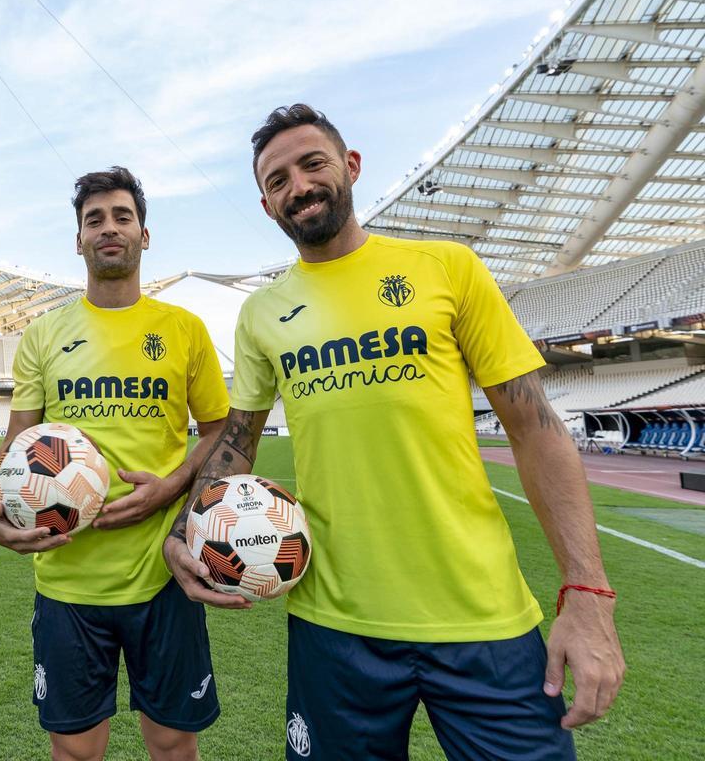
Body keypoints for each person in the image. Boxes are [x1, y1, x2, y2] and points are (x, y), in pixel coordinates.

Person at [163, 105, 625, 760]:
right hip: (333, 625)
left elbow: (536, 428)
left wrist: (587, 592)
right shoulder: (264, 314)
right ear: (266, 205)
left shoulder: (447, 268)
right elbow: (238, 437)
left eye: (312, 163)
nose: (298, 185)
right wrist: (185, 529)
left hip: (483, 618)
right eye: (277, 179)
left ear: (350, 167)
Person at [0, 167, 230, 761]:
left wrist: (169, 488)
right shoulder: (45, 334)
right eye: (94, 220)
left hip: (164, 575)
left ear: (145, 235)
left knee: (172, 742)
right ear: (78, 240)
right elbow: (19, 443)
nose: (109, 228)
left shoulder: (183, 329)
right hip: (69, 582)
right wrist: (2, 512)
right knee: (74, 749)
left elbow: (223, 431)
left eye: (122, 217)